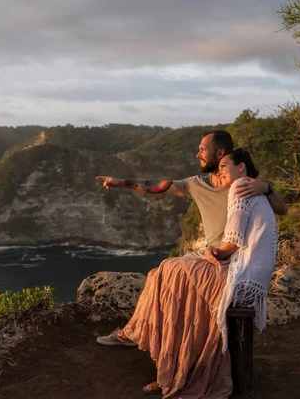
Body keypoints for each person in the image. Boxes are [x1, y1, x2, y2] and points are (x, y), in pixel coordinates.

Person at [94, 131, 285, 398]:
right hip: (214, 256)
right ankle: (139, 337)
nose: (197, 154)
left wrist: (267, 186)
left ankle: (176, 365)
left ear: (221, 155)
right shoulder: (198, 183)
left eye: (202, 149)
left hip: (232, 262)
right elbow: (158, 185)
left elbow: (281, 209)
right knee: (158, 274)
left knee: (172, 275)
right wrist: (121, 182)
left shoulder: (243, 186)